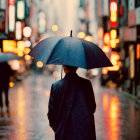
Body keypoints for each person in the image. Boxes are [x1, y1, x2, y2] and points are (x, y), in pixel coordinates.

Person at [48, 65, 96, 140]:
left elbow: (51, 112)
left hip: (63, 132)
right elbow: (92, 107)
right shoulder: (86, 84)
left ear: (63, 67)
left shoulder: (56, 86)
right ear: (77, 67)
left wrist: (57, 128)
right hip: (84, 131)